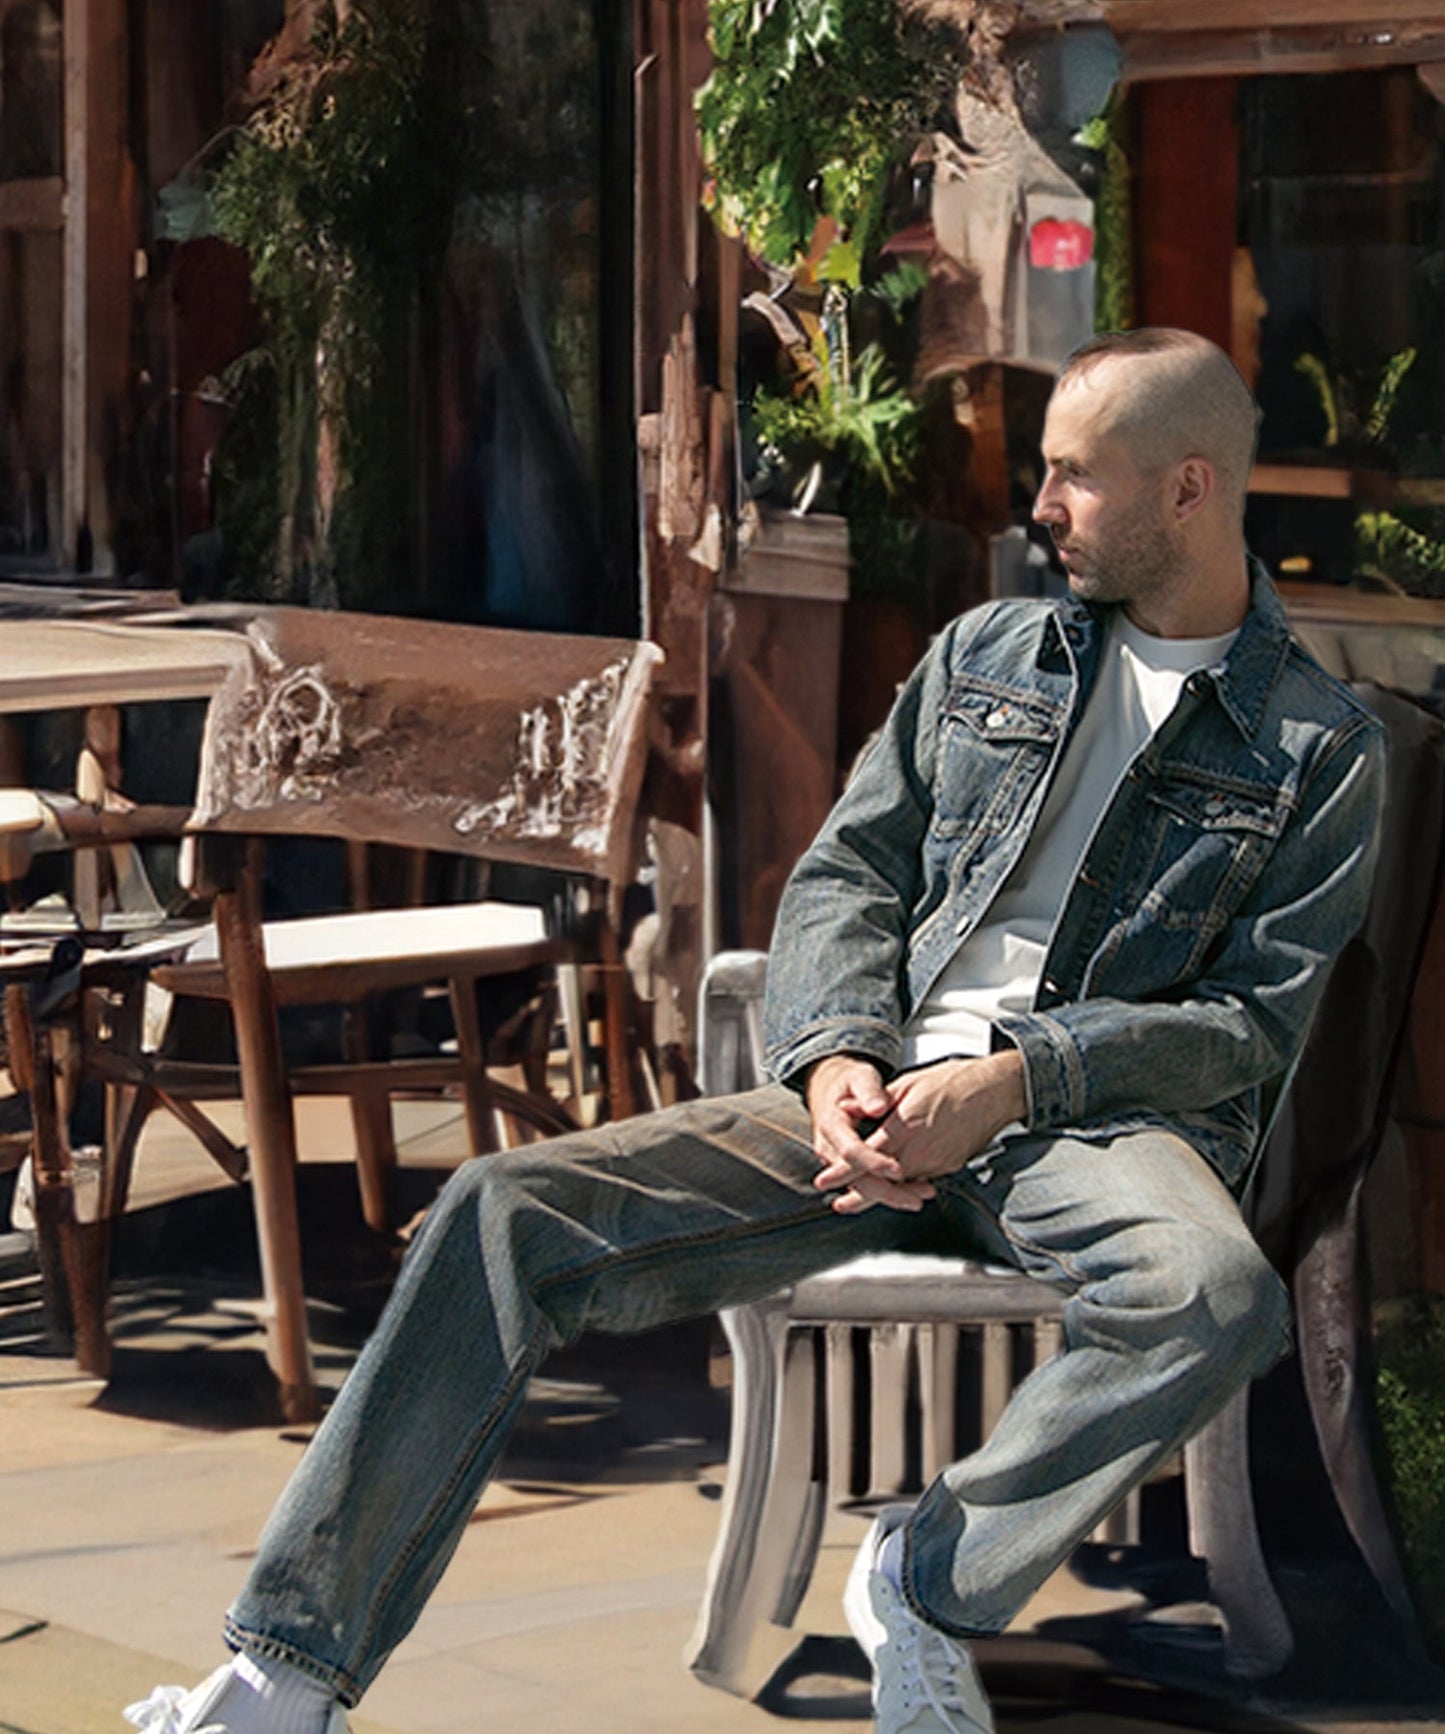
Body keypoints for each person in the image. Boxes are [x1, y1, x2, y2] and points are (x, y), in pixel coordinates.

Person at [125, 329, 1385, 1734]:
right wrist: (838, 1055)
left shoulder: (1317, 744)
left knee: (1212, 1290)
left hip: (1089, 1125)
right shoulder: (990, 654)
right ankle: (285, 1675)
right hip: (872, 1096)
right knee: (498, 1210)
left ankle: (925, 1576)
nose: (1040, 507)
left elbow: (1242, 1025)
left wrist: (1013, 1079)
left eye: (1075, 477)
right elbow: (851, 872)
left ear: (1188, 489)